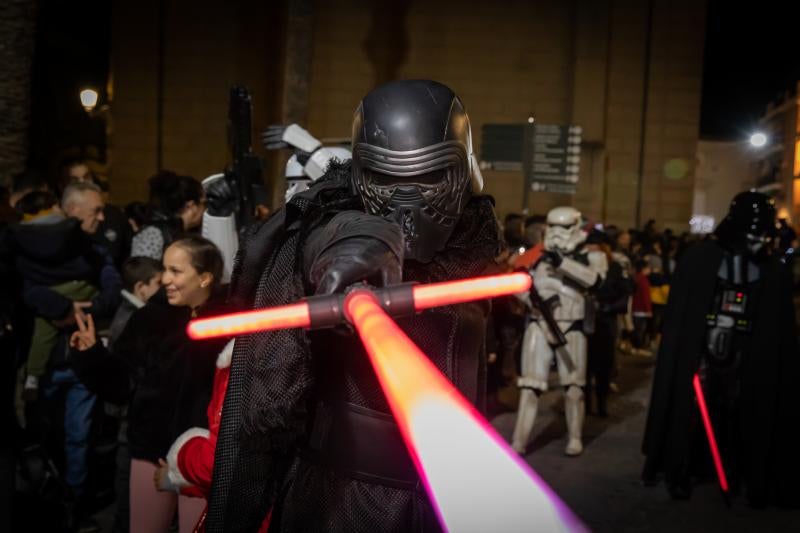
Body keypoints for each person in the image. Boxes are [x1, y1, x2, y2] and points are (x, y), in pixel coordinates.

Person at [206, 79, 498, 532]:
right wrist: (358, 255)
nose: (407, 204)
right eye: (387, 178)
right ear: (361, 174)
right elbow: (343, 231)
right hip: (350, 502)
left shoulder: (472, 236)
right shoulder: (331, 216)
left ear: (464, 168)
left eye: (428, 177)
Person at [642, 191, 800, 507]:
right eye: (752, 234)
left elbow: (775, 325)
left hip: (746, 355)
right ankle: (682, 471)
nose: (758, 242)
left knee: (745, 412)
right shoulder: (699, 260)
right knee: (691, 415)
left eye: (763, 235)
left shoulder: (771, 269)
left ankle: (744, 472)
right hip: (702, 354)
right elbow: (683, 318)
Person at [69, 236, 230, 532]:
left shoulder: (232, 323)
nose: (166, 279)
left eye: (176, 271)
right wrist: (92, 356)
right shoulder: (149, 319)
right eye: (165, 269)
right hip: (150, 449)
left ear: (205, 277)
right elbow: (120, 386)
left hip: (202, 459)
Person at [511, 207, 607, 456]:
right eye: (551, 226)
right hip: (539, 322)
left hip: (572, 325)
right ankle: (519, 441)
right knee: (530, 386)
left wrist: (562, 263)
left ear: (576, 227)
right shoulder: (537, 255)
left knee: (574, 388)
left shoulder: (591, 256)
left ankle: (574, 438)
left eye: (563, 227)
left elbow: (595, 281)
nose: (556, 232)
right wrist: (529, 297)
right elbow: (515, 280)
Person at [130, 171, 205, 260]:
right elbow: (141, 271)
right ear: (191, 206)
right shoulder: (153, 233)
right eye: (204, 203)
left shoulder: (189, 233)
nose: (206, 209)